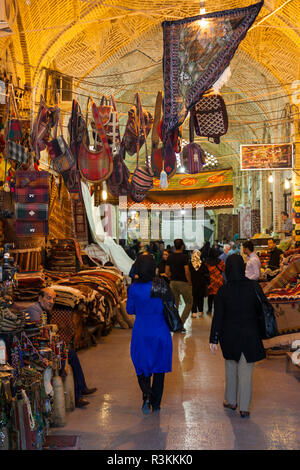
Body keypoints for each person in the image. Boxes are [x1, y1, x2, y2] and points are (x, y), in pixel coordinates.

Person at [209, 254, 266, 418]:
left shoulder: (223, 290)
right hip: (250, 335)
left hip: (229, 336)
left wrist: (214, 338)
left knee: (231, 367)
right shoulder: (254, 287)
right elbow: (262, 311)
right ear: (243, 268)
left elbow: (218, 316)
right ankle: (244, 407)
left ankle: (231, 401)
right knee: (246, 371)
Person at [24, 288, 97, 408]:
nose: (52, 301)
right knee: (69, 354)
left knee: (71, 353)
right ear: (40, 298)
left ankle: (81, 389)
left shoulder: (43, 310)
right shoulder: (34, 309)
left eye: (53, 298)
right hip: (35, 350)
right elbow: (38, 333)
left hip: (41, 346)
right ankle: (78, 395)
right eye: (48, 298)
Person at [126, 256, 172, 414]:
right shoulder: (161, 285)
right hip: (160, 331)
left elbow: (130, 310)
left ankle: (146, 394)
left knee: (142, 366)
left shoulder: (133, 288)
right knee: (159, 368)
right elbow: (171, 306)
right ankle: (156, 403)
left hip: (141, 332)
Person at [165, 239, 193, 331]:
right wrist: (189, 282)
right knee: (189, 303)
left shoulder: (170, 257)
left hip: (173, 283)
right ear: (182, 246)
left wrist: (170, 278)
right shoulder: (184, 257)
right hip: (183, 282)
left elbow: (167, 272)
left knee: (175, 304)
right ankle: (181, 323)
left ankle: (175, 324)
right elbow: (186, 271)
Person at [189, 250, 210, 319]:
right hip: (201, 283)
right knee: (200, 298)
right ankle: (200, 312)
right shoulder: (203, 264)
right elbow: (207, 274)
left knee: (193, 298)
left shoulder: (190, 264)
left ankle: (194, 312)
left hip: (193, 283)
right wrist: (208, 283)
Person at [205, 248, 225, 315]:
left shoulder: (206, 262)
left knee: (210, 296)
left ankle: (209, 310)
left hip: (210, 281)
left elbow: (205, 271)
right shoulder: (220, 261)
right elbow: (224, 269)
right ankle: (217, 310)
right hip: (218, 280)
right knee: (217, 296)